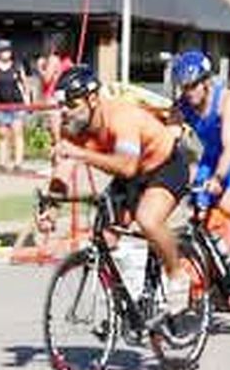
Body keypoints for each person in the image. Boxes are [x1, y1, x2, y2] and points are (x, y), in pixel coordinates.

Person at [51, 65, 190, 298]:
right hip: (132, 176)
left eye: (72, 105)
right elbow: (64, 168)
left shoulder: (120, 117)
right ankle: (126, 306)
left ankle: (177, 275)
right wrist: (52, 206)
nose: (66, 112)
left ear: (93, 99)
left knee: (148, 219)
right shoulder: (74, 126)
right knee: (104, 239)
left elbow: (126, 166)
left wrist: (80, 154)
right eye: (62, 106)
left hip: (164, 166)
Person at [171, 51, 230, 271]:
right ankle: (221, 267)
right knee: (197, 210)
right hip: (213, 155)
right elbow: (169, 137)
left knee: (227, 204)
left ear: (206, 82)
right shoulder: (182, 105)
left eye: (193, 85)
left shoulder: (225, 101)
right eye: (184, 87)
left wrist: (218, 178)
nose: (189, 92)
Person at [0, 39, 30, 173]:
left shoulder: (17, 66)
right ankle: (2, 164)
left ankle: (18, 164)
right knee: (3, 135)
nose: (6, 53)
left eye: (8, 50)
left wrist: (27, 99)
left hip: (17, 104)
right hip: (2, 106)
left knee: (17, 133)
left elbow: (25, 84)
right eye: (3, 50)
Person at [37, 36, 74, 143]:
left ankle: (58, 154)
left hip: (52, 97)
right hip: (65, 98)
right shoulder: (68, 61)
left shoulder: (53, 59)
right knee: (64, 131)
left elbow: (47, 79)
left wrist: (39, 68)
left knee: (55, 133)